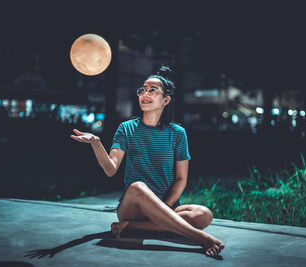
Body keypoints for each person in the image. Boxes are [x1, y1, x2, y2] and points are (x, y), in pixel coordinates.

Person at [70, 66, 224, 257]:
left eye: (153, 90)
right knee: (137, 186)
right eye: (142, 89)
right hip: (133, 206)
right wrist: (96, 143)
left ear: (165, 100)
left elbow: (181, 179)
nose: (145, 94)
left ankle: (133, 227)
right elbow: (110, 169)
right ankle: (199, 237)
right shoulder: (126, 128)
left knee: (204, 214)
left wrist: (165, 207)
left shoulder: (178, 134)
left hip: (166, 204)